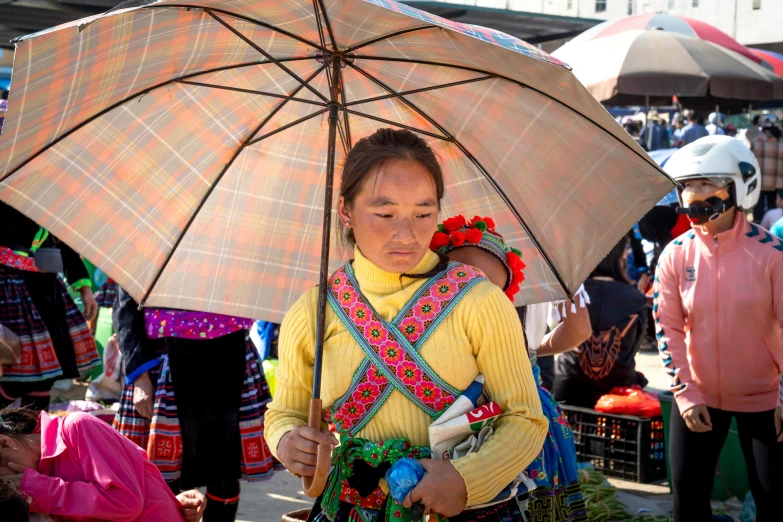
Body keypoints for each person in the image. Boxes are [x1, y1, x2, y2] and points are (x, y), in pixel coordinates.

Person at [265, 128, 547, 521]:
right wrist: (286, 440)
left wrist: (465, 479)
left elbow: (525, 417)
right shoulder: (314, 310)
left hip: (458, 508)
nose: (406, 234)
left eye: (423, 213)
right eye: (384, 214)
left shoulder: (479, 302)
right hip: (350, 508)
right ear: (345, 210)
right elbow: (284, 412)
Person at [655, 135, 783, 522]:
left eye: (705, 183)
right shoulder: (675, 255)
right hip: (697, 398)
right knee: (688, 504)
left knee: (773, 502)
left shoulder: (771, 255)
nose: (693, 195)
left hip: (767, 402)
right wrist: (686, 393)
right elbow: (668, 329)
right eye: (687, 185)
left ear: (739, 185)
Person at [435, 217, 590, 522]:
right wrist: (527, 353)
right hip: (530, 406)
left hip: (464, 418)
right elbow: (579, 329)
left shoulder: (444, 250)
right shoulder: (543, 246)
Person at [112, 289, 277, 522]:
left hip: (230, 358)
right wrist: (140, 376)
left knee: (225, 473)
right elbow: (125, 306)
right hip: (165, 362)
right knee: (164, 477)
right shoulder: (151, 252)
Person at [0, 406, 207, 521]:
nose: (11, 485)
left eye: (3, 477)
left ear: (5, 443)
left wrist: (42, 490)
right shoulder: (35, 480)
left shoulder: (76, 427)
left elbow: (126, 503)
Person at [0, 202, 100, 411]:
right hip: (9, 287)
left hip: (47, 292)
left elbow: (64, 240)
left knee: (48, 375)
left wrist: (84, 288)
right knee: (14, 375)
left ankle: (29, 439)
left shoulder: (51, 197)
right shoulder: (7, 190)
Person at [552, 237, 649, 408]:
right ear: (620, 256)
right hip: (618, 392)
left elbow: (554, 330)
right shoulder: (637, 299)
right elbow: (633, 348)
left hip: (567, 386)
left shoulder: (571, 292)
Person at [750, 114, 783, 223]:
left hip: (759, 183)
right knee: (774, 210)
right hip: (776, 184)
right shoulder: (781, 143)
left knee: (758, 212)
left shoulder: (755, 142)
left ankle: (758, 229)